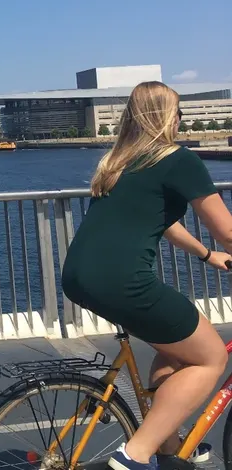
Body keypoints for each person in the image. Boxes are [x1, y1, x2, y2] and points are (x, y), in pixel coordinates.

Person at [61, 82, 232, 470]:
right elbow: (227, 230)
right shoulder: (178, 159)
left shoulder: (120, 162)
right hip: (123, 279)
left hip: (80, 274)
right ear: (167, 116)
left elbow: (168, 225)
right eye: (179, 113)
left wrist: (208, 256)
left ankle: (168, 447)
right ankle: (134, 456)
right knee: (208, 360)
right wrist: (220, 244)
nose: (180, 120)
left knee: (173, 351)